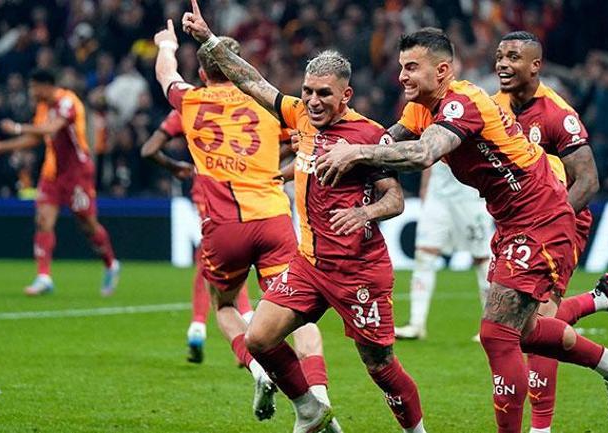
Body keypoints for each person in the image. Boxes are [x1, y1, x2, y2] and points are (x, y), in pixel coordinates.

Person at [316, 28, 608, 433]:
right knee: (525, 330)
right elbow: (383, 140)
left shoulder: (462, 101)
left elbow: (422, 153)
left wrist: (357, 152)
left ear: (442, 71)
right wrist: (318, 144)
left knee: (496, 334)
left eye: (412, 67)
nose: (402, 76)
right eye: (401, 67)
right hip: (510, 219)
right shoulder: (420, 108)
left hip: (541, 214)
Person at [182, 4, 427, 433]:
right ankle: (310, 409)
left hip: (358, 271)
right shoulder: (298, 114)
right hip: (309, 265)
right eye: (308, 91)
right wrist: (209, 39)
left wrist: (365, 211)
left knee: (380, 365)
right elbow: (251, 80)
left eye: (324, 94)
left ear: (345, 96)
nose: (313, 101)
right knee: (259, 338)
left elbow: (395, 199)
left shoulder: (369, 136)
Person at [153, 22, 339, 429]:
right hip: (273, 219)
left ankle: (258, 370)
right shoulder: (266, 103)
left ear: (203, 72)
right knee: (298, 313)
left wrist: (166, 45)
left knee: (223, 305)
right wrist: (280, 165)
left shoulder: (191, 101)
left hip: (224, 227)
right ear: (238, 66)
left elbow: (166, 74)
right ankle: (320, 394)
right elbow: (303, 141)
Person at [492, 31, 608, 433]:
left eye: (513, 57)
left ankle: (541, 429)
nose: (503, 63)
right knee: (522, 328)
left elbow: (588, 181)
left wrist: (546, 223)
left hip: (557, 223)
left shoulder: (558, 114)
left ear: (535, 66)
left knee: (534, 319)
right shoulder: (493, 107)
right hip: (514, 224)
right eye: (500, 56)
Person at [0, 69, 120, 297]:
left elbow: (52, 128)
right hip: (53, 172)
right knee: (43, 220)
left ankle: (111, 264)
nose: (31, 92)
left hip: (78, 173)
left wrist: (17, 127)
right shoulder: (43, 107)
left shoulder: (68, 101)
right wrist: (3, 147)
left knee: (87, 225)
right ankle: (44, 277)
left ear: (46, 86)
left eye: (33, 87)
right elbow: (37, 137)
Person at [141, 108, 255, 364]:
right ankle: (243, 320)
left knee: (213, 255)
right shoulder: (244, 105)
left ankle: (203, 326)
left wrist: (174, 166)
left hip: (206, 185)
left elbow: (149, 149)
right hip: (243, 184)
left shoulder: (189, 105)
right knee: (228, 255)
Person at [390, 91, 494, 342]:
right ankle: (416, 324)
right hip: (438, 195)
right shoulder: (427, 111)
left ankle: (492, 326)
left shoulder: (465, 107)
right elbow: (429, 154)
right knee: (424, 254)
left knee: (482, 258)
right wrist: (425, 190)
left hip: (468, 195)